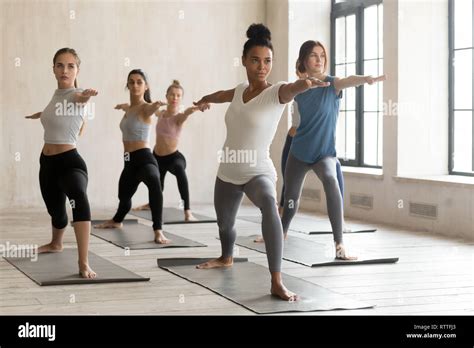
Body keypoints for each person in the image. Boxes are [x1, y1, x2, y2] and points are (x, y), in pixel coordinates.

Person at [193, 24, 329, 301]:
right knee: (225, 227)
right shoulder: (241, 89)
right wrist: (206, 99)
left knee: (269, 203)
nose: (262, 66)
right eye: (255, 60)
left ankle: (276, 281)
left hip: (257, 170)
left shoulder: (276, 91)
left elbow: (292, 89)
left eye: (267, 61)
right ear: (244, 60)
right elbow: (224, 94)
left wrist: (305, 85)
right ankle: (226, 257)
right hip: (229, 169)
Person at [281, 40, 386, 259]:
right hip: (299, 152)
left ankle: (339, 245)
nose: (319, 59)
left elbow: (347, 81)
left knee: (331, 180)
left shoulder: (332, 84)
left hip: (324, 153)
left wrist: (364, 79)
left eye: (322, 55)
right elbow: (286, 106)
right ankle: (281, 233)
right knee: (291, 196)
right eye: (313, 55)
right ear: (303, 61)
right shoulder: (298, 88)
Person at [25, 47, 98, 278]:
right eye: (60, 65)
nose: (65, 70)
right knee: (55, 211)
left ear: (77, 70)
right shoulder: (56, 96)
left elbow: (79, 98)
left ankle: (83, 262)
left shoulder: (77, 95)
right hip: (46, 162)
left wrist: (87, 95)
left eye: (70, 66)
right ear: (54, 69)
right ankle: (56, 244)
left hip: (70, 163)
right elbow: (55, 111)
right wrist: (40, 114)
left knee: (78, 197)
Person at [94, 69, 170, 244]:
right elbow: (129, 107)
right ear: (127, 85)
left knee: (154, 180)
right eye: (131, 82)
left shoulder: (146, 108)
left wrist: (156, 105)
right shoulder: (129, 109)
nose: (135, 85)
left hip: (144, 158)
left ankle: (158, 230)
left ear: (146, 86)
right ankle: (117, 221)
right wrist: (122, 106)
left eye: (139, 82)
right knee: (124, 197)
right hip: (128, 160)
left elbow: (149, 108)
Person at [132, 80, 209, 221]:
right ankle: (151, 204)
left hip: (173, 157)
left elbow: (188, 112)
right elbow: (148, 107)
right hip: (157, 157)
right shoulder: (160, 114)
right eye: (172, 95)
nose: (175, 98)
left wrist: (198, 107)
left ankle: (187, 211)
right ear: (166, 96)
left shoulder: (178, 117)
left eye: (179, 96)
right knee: (156, 183)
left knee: (180, 170)